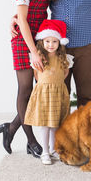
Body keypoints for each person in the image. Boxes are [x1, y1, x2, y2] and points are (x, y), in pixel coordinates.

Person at [0, 0, 59, 157]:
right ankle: (32, 141)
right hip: (24, 40)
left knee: (38, 90)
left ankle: (10, 127)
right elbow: (22, 20)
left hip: (40, 38)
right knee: (26, 89)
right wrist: (33, 51)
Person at [24, 19, 72, 165]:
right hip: (44, 94)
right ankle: (45, 151)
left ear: (59, 43)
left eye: (54, 42)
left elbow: (64, 74)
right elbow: (37, 76)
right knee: (45, 124)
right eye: (47, 41)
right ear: (42, 42)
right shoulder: (39, 58)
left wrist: (56, 85)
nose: (51, 45)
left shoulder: (64, 58)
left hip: (58, 93)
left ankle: (53, 149)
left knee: (55, 124)